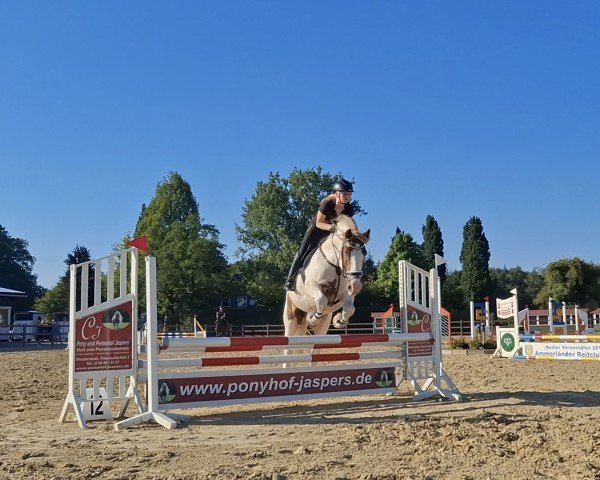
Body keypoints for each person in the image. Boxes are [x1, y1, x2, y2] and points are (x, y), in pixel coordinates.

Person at [284, 178, 356, 291]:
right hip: (317, 230)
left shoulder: (349, 208)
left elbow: (351, 224)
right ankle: (290, 279)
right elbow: (319, 223)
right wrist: (333, 228)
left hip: (334, 233)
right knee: (303, 251)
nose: (347, 196)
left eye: (349, 194)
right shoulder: (327, 204)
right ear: (337, 193)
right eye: (345, 194)